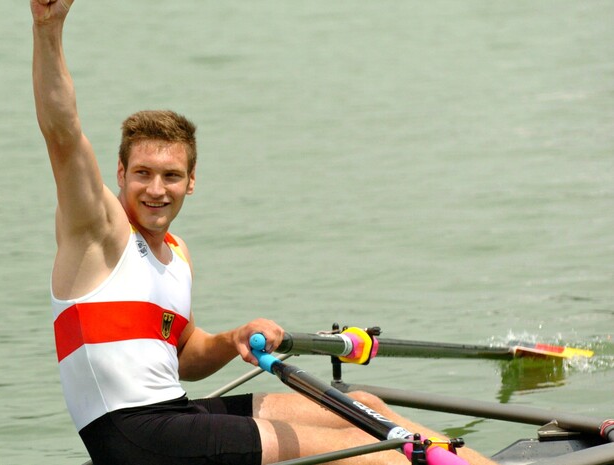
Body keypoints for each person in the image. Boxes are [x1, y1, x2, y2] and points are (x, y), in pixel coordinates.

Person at [31, 1, 499, 464]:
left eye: (171, 176)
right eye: (142, 173)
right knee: (366, 450)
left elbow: (185, 356)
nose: (156, 189)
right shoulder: (98, 235)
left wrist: (235, 336)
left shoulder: (176, 254)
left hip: (174, 414)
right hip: (131, 436)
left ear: (191, 182)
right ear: (120, 172)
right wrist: (48, 29)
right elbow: (64, 134)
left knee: (361, 411)